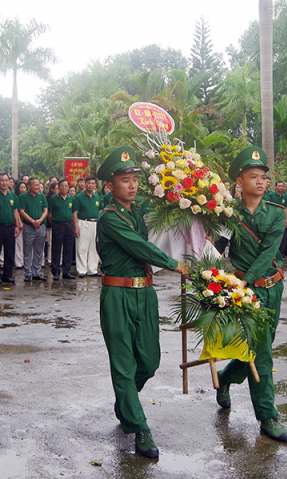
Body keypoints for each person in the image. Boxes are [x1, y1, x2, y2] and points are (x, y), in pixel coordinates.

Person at [95, 146, 190, 458]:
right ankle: (140, 429)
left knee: (149, 362)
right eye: (125, 179)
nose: (132, 184)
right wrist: (175, 264)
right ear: (111, 185)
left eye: (135, 178)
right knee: (123, 365)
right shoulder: (109, 219)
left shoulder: (137, 211)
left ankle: (125, 400)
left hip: (144, 294)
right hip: (118, 295)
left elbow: (170, 199)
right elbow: (139, 247)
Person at [214, 146, 287, 443]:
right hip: (247, 294)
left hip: (272, 286)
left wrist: (245, 281)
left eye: (263, 178)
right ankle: (267, 416)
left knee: (263, 346)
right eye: (253, 176)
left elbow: (268, 254)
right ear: (239, 181)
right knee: (262, 354)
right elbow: (216, 250)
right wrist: (204, 273)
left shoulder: (275, 213)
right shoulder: (228, 216)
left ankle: (225, 378)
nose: (260, 182)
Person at [0, 173, 21, 284]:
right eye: (2, 180)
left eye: (6, 180)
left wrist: (17, 225)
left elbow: (15, 211)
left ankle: (7, 275)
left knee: (10, 252)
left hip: (10, 227)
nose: (4, 183)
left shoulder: (13, 195)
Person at [18, 178, 48, 281]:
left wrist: (39, 221)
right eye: (35, 185)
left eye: (39, 185)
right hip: (28, 226)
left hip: (40, 226)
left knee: (39, 251)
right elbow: (21, 211)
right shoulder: (23, 197)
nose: (37, 187)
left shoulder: (42, 196)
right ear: (29, 186)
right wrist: (32, 221)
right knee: (27, 250)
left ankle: (37, 272)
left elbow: (45, 210)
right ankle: (27, 273)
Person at [73, 176, 103, 277]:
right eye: (89, 183)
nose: (91, 185)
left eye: (93, 183)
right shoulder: (79, 197)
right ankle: (82, 270)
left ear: (95, 185)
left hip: (95, 223)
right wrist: (76, 227)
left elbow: (100, 211)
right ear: (85, 184)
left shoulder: (97, 197)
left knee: (94, 247)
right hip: (83, 222)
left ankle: (92, 269)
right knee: (82, 246)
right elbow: (75, 213)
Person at [48, 179, 76, 281]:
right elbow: (50, 214)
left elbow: (73, 213)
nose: (64, 188)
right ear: (59, 187)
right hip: (58, 225)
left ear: (68, 188)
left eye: (66, 186)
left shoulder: (71, 199)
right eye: (62, 186)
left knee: (68, 249)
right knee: (56, 248)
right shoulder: (53, 199)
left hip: (69, 226)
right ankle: (55, 272)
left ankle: (66, 271)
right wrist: (55, 223)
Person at [13, 182, 27, 269]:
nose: (22, 189)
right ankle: (19, 262)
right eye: (21, 187)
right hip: (19, 223)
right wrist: (18, 223)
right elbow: (17, 211)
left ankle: (27, 261)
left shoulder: (27, 198)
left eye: (24, 187)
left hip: (29, 223)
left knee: (27, 244)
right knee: (18, 243)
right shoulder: (16, 198)